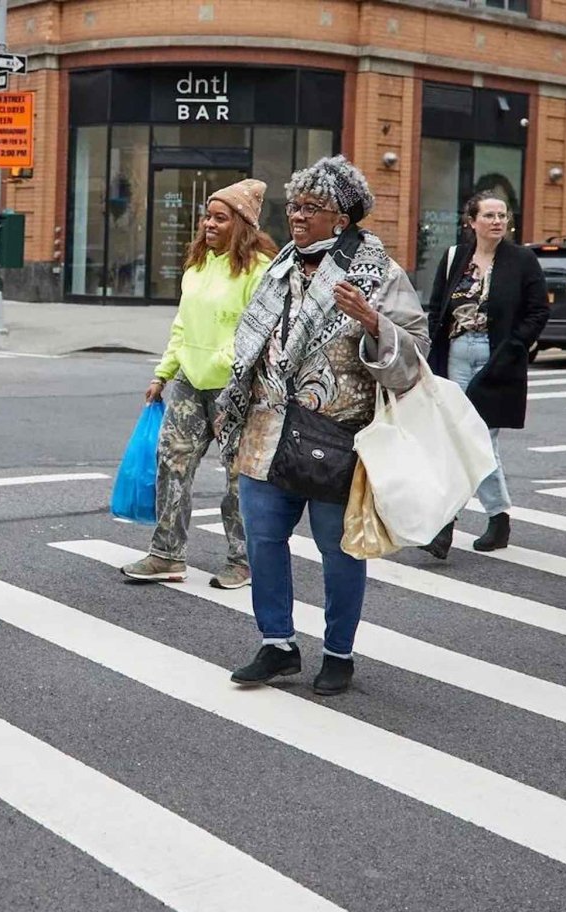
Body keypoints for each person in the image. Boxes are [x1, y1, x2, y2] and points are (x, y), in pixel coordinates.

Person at [215, 155, 429, 695]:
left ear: (342, 217)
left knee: (339, 549)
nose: (297, 215)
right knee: (263, 540)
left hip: (338, 435)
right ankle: (277, 644)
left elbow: (417, 354)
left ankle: (339, 653)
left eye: (313, 207)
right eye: (295, 205)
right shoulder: (282, 264)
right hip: (266, 429)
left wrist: (372, 321)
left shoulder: (379, 272)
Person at [120, 179, 277, 588]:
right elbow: (182, 325)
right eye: (207, 216)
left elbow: (259, 334)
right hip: (191, 380)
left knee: (236, 479)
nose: (209, 224)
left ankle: (242, 560)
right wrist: (163, 373)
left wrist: (231, 370)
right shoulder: (198, 265)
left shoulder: (259, 271)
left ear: (242, 224)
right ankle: (166, 555)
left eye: (220, 218)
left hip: (237, 389)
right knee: (171, 463)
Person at [420, 191, 548, 558]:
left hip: (497, 358)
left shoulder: (522, 260)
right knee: (464, 438)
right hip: (457, 356)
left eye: (502, 215)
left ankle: (446, 524)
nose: (497, 221)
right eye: (489, 215)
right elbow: (437, 307)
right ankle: (498, 517)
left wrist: (514, 346)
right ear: (472, 221)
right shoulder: (454, 258)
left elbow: (538, 312)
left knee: (475, 438)